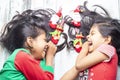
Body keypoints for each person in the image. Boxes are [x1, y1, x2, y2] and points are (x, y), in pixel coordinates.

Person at [0, 9, 57, 80]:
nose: (48, 44)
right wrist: (50, 58)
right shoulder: (21, 56)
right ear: (30, 41)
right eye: (45, 40)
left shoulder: (37, 62)